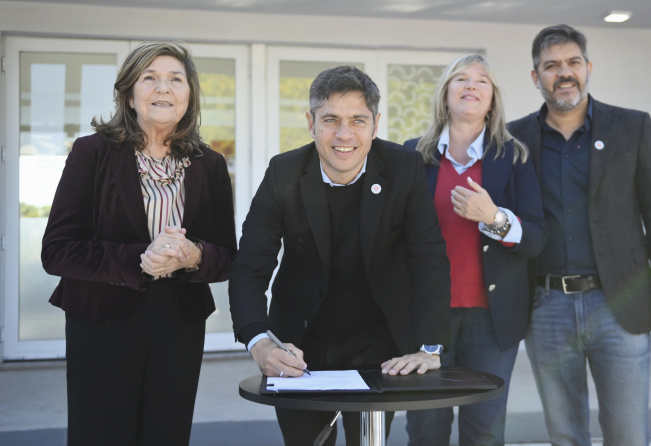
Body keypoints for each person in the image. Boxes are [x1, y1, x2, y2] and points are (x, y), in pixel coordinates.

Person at [228, 65, 451, 446]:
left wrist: (430, 346)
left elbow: (427, 258)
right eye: (330, 119)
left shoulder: (404, 168)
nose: (344, 134)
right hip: (298, 342)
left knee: (369, 441)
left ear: (375, 124)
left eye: (357, 120)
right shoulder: (283, 173)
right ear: (311, 122)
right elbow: (251, 264)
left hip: (379, 342)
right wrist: (258, 341)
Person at [41, 41, 237, 446]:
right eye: (150, 78)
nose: (163, 88)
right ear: (130, 94)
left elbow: (227, 256)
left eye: (175, 79)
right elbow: (57, 249)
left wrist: (195, 254)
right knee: (101, 433)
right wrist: (139, 259)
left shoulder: (210, 164)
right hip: (102, 320)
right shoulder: (92, 153)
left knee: (167, 433)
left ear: (189, 95)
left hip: (179, 322)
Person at [507, 24, 651, 446]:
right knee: (565, 433)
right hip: (545, 307)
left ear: (588, 68)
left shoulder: (632, 127)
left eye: (572, 63)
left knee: (627, 433)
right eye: (551, 66)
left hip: (620, 302)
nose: (563, 73)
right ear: (536, 77)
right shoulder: (514, 139)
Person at [403, 54, 547, 446]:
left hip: (493, 319)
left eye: (482, 80)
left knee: (484, 428)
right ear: (446, 94)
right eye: (460, 79)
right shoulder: (414, 155)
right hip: (428, 316)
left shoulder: (514, 157)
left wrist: (494, 217)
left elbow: (536, 238)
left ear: (492, 98)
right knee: (425, 426)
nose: (471, 86)